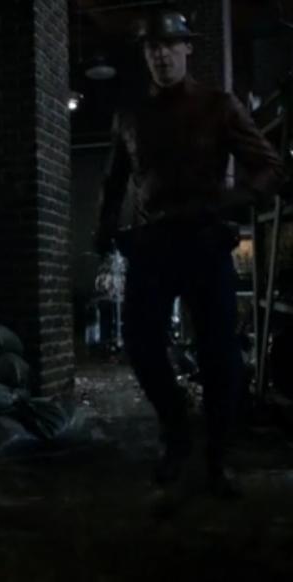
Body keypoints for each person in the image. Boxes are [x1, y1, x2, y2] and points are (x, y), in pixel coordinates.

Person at [95, 11, 286, 496]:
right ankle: (177, 430)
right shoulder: (131, 115)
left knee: (220, 354)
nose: (161, 54)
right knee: (140, 344)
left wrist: (232, 200)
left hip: (204, 240)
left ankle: (217, 457)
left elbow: (269, 165)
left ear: (187, 48)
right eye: (152, 47)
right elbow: (114, 181)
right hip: (153, 243)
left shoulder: (219, 106)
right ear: (145, 54)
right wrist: (104, 230)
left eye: (169, 45)